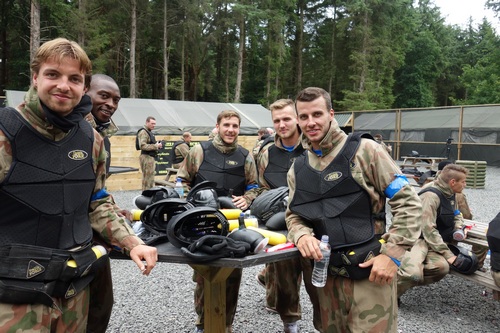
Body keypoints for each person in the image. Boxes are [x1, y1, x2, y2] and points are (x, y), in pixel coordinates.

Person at [0, 37, 158, 332]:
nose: (64, 85)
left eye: (74, 78)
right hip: (13, 297)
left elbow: (97, 202)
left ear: (84, 87)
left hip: (74, 289)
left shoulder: (92, 139)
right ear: (35, 77)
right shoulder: (5, 133)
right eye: (53, 74)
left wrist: (132, 242)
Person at [286, 87, 422, 332]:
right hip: (325, 276)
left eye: (317, 114)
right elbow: (294, 214)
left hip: (370, 273)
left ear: (331, 114)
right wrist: (302, 235)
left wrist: (392, 254)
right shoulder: (298, 167)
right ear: (297, 119)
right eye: (304, 117)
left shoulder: (366, 151)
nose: (311, 122)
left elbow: (408, 202)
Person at [177, 109, 260, 333]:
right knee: (204, 274)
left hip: (233, 226)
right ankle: (202, 323)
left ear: (239, 128)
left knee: (232, 274)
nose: (231, 130)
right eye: (227, 125)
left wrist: (247, 198)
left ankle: (226, 323)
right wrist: (191, 203)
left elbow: (254, 187)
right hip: (203, 224)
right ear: (218, 126)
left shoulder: (245, 156)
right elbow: (182, 180)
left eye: (235, 126)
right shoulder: (198, 151)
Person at [254, 98, 313, 333]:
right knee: (284, 269)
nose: (282, 124)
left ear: (297, 119)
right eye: (276, 120)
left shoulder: (313, 147)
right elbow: (260, 188)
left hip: (312, 217)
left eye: (287, 119)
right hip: (279, 220)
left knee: (317, 273)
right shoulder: (266, 153)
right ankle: (290, 321)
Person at [85, 73, 133, 333]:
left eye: (116, 99)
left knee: (101, 304)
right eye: (103, 96)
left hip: (95, 235)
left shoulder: (102, 135)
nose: (111, 104)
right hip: (65, 239)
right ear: (84, 92)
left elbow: (96, 190)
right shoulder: (74, 129)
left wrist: (114, 210)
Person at [397, 164, 470, 299]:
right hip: (416, 239)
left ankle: (402, 280)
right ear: (453, 182)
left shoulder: (450, 193)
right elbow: (427, 229)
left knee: (441, 268)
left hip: (433, 241)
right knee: (413, 274)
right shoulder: (430, 196)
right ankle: (390, 294)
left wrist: (459, 227)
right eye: (463, 182)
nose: (465, 185)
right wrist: (448, 254)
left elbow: (456, 213)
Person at [137, 116, 162, 190]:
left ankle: (147, 195)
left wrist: (157, 145)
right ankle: (147, 195)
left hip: (149, 156)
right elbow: (142, 145)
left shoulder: (148, 131)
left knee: (149, 178)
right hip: (146, 157)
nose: (153, 125)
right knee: (148, 179)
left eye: (154, 124)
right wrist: (156, 146)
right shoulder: (144, 132)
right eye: (152, 123)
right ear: (147, 122)